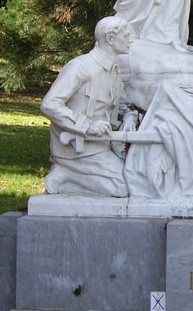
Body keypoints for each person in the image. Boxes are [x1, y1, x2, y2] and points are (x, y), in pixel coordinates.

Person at [40, 16, 134, 196]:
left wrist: (129, 116)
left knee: (136, 179)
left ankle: (68, 175)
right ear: (110, 39)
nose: (131, 40)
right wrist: (87, 126)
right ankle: (64, 175)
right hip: (75, 149)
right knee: (124, 188)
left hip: (101, 146)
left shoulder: (114, 70)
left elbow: (122, 104)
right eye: (126, 35)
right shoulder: (80, 67)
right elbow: (49, 104)